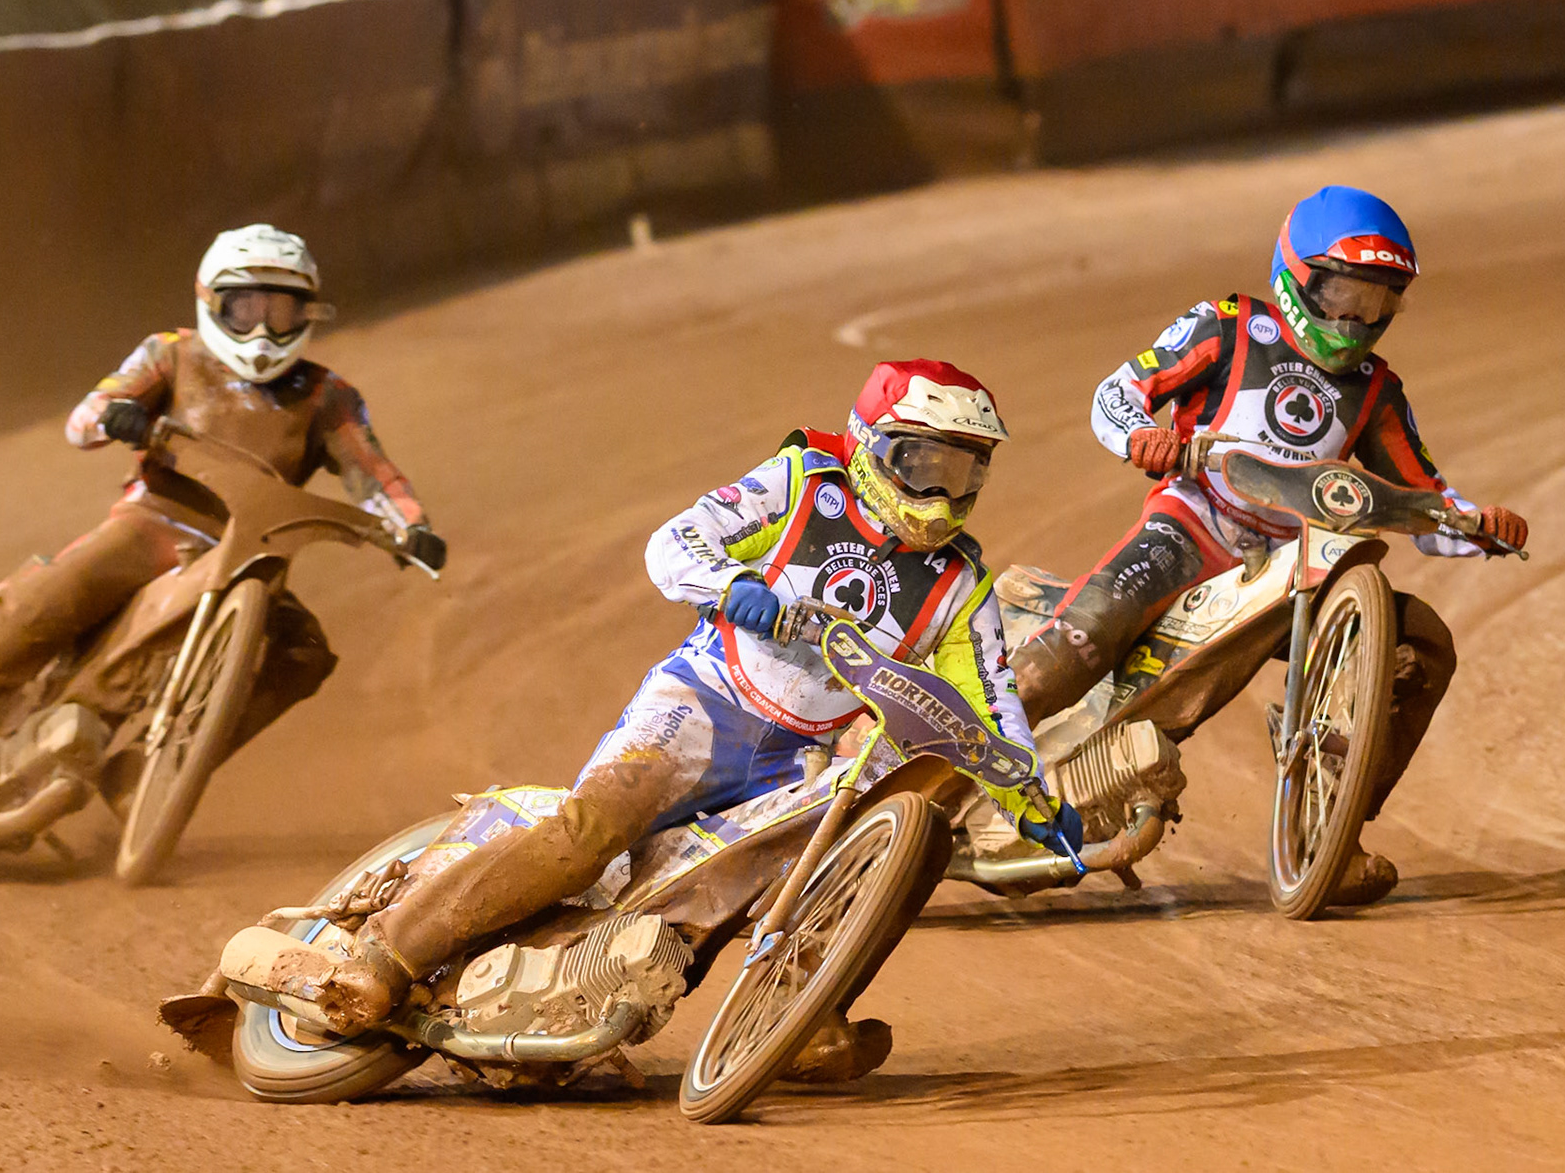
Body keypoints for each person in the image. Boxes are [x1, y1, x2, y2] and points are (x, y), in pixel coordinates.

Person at [288, 358, 1077, 1079]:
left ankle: (799, 1015)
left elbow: (991, 699)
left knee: (836, 864)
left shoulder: (960, 581)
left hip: (798, 759)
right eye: (924, 463)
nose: (941, 490)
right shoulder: (805, 483)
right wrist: (731, 584)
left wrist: (1032, 798)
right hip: (701, 703)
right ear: (873, 446)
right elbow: (676, 541)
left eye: (965, 466)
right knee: (589, 836)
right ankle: (389, 955)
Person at [0, 223, 444, 814]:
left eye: (282, 310)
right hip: (149, 529)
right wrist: (116, 414)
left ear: (308, 314)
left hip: (245, 555)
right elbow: (87, 416)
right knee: (25, 620)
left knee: (303, 652)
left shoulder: (328, 396)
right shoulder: (171, 352)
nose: (264, 328)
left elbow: (375, 474)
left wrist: (410, 527)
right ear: (212, 304)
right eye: (246, 308)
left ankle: (146, 774)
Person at [1008, 186, 1529, 905]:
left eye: (1377, 303)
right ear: (1297, 275)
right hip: (1191, 528)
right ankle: (922, 761)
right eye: (1343, 292)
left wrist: (1480, 527)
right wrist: (1141, 435)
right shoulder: (1227, 326)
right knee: (1076, 646)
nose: (1355, 318)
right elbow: (1116, 391)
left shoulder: (1378, 390)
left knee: (1424, 643)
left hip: (1296, 567)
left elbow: (1424, 497)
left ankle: (1331, 829)